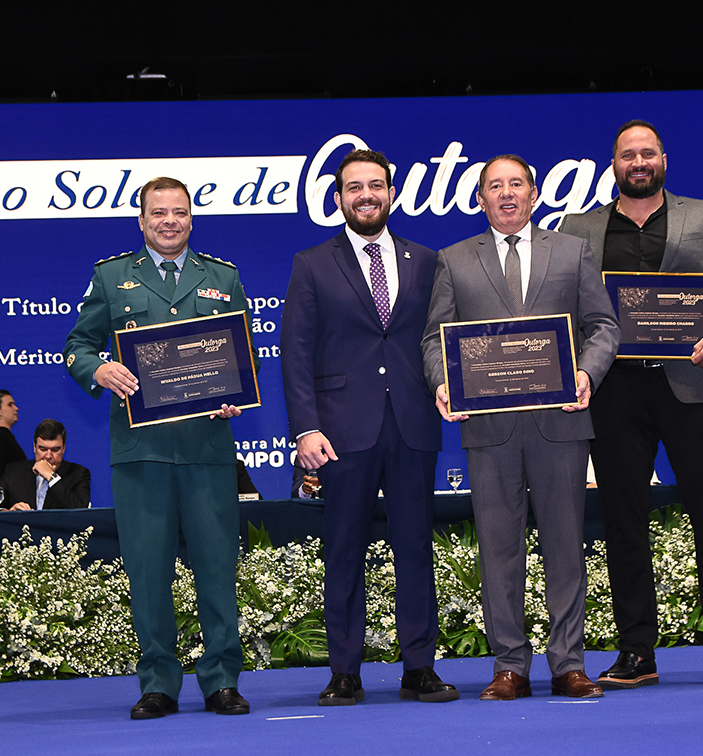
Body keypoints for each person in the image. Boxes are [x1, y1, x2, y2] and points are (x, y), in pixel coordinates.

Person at [560, 120, 703, 689]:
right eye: (627, 155)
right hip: (612, 391)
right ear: (613, 165)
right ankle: (637, 652)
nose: (638, 162)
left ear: (663, 160)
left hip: (694, 388)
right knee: (624, 523)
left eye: (646, 153)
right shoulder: (577, 227)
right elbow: (558, 302)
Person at [422, 154, 620, 701]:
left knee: (565, 546)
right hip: (490, 430)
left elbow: (603, 326)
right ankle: (509, 666)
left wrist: (586, 372)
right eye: (495, 186)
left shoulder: (573, 252)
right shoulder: (454, 259)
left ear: (534, 195)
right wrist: (443, 382)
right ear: (479, 198)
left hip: (562, 424)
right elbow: (434, 338)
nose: (507, 194)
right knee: (498, 549)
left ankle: (568, 664)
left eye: (516, 185)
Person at [64, 176, 254, 719]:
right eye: (158, 213)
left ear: (191, 219)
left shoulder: (223, 277)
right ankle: (159, 685)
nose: (169, 221)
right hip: (141, 452)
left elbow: (245, 357)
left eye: (179, 213)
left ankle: (221, 680)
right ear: (141, 220)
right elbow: (78, 346)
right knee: (148, 572)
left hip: (207, 448)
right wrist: (98, 367)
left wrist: (233, 393)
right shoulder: (112, 276)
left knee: (217, 567)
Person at [282, 149, 456, 706]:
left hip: (412, 424)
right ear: (339, 198)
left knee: (415, 549)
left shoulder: (427, 260)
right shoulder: (311, 263)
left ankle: (419, 667)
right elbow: (296, 352)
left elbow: (440, 340)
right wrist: (305, 428)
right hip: (339, 431)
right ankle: (344, 671)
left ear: (392, 193)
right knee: (344, 550)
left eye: (375, 186)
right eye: (354, 187)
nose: (365, 195)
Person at [0, 419, 91, 510]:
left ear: (64, 448)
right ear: (34, 447)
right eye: (43, 449)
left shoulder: (78, 474)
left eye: (55, 450)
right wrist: (9, 512)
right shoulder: (13, 472)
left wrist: (51, 477)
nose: (48, 456)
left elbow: (81, 510)